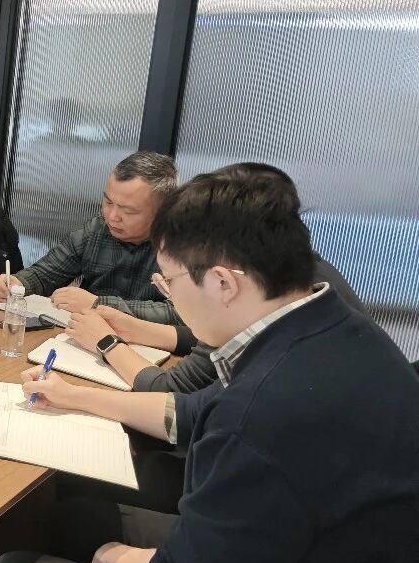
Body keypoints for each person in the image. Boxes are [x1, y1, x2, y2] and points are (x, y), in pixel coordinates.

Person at [0, 167, 419, 563]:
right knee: (76, 520)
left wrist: (114, 555)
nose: (167, 296)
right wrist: (73, 396)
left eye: (168, 282)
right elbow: (191, 412)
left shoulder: (266, 408)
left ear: (222, 282)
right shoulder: (330, 326)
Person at [64, 163, 367, 395]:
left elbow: (180, 396)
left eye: (170, 280)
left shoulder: (284, 353)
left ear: (223, 282)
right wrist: (136, 329)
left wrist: (107, 343)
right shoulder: (295, 282)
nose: (113, 216)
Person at [0, 151, 179, 322]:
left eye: (128, 211)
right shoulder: (97, 229)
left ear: (163, 211)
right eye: (108, 202)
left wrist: (98, 304)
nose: (112, 216)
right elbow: (46, 273)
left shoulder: (181, 248)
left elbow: (178, 314)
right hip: (85, 334)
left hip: (148, 343)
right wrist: (18, 283)